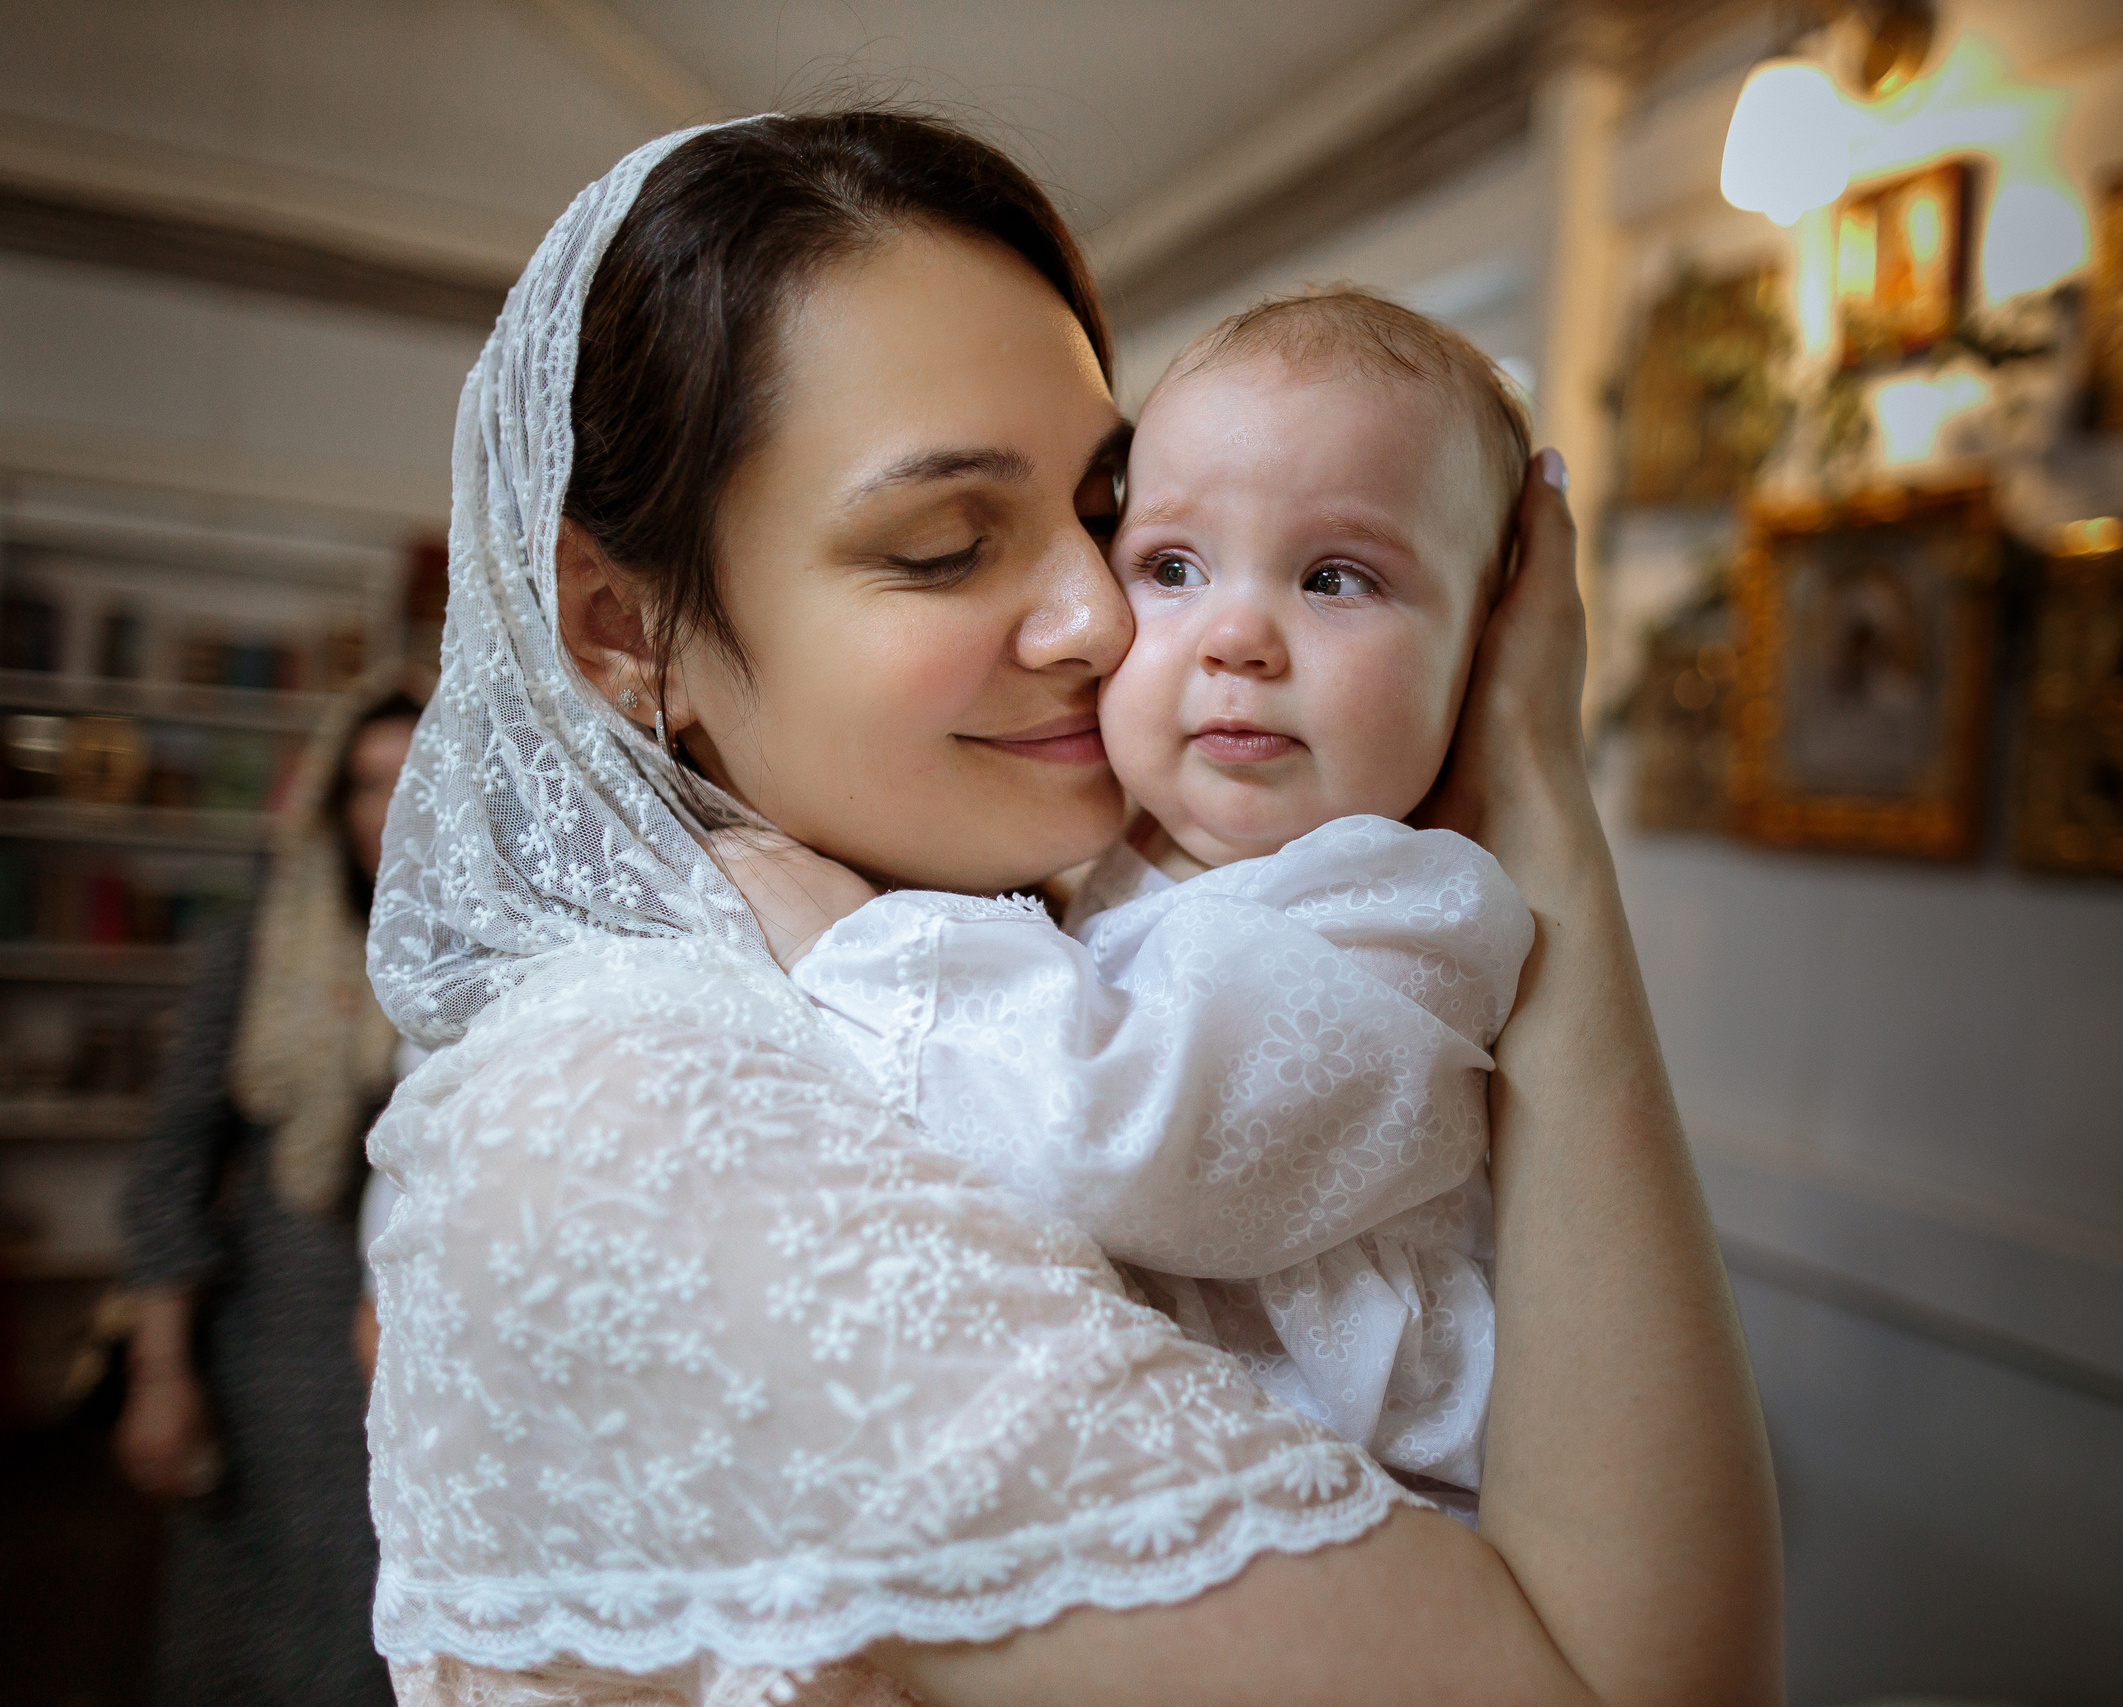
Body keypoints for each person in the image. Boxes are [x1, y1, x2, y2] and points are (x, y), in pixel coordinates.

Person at [365, 111, 1782, 1706]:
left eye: (1105, 511)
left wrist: (1529, 793)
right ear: (625, 626)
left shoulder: (1065, 912)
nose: (1107, 615)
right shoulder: (646, 1114)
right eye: (948, 543)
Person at [741, 288, 1541, 1499]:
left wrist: (846, 936)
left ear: (1482, 648)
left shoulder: (1408, 916)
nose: (1237, 637)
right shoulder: (1128, 854)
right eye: (1171, 566)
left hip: (1373, 1505)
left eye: (1336, 578)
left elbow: (1122, 1143)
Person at [115, 662, 429, 1707]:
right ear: (332, 803)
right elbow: (171, 1171)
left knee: (396, 1639)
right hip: (279, 1355)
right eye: (366, 784)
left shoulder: (486, 954)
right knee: (272, 1637)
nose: (390, 810)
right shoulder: (259, 949)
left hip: (423, 1353)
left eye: (414, 775)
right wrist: (163, 1375)